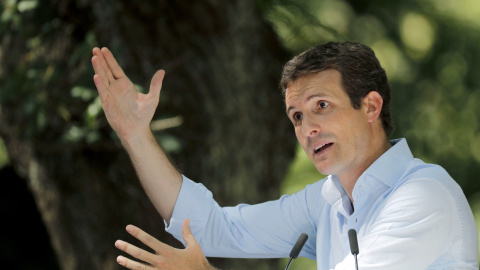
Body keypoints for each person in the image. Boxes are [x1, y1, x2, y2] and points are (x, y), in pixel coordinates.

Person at [91, 42, 479, 270]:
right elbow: (214, 229)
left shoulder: (424, 195)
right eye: (297, 116)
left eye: (321, 105)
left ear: (371, 106)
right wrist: (136, 136)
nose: (307, 128)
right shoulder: (325, 201)